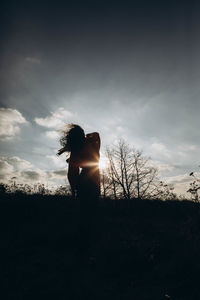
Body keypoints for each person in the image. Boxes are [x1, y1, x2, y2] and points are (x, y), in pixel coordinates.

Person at [57, 124, 101, 255]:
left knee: (85, 214)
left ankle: (84, 245)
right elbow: (96, 133)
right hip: (93, 181)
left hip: (85, 182)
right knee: (90, 214)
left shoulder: (77, 149)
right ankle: (86, 245)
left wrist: (73, 191)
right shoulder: (92, 143)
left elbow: (72, 174)